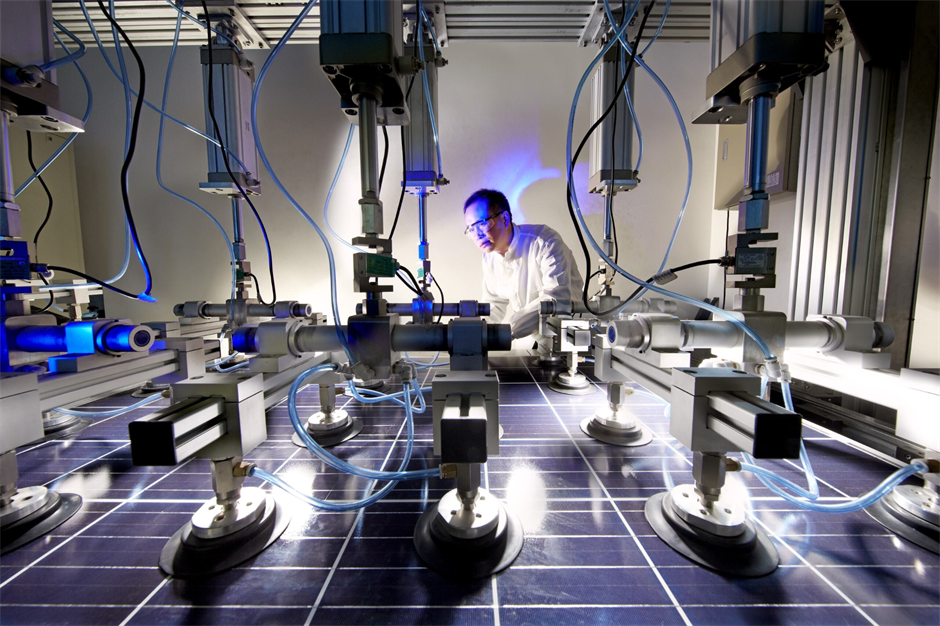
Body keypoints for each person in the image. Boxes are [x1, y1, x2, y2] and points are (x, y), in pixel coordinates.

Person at [463, 189, 583, 354]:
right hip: (531, 341)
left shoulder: (544, 242)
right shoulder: (489, 258)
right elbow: (494, 303)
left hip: (569, 338)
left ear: (504, 218)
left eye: (481, 224)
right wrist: (472, 332)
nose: (476, 235)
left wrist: (509, 331)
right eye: (470, 229)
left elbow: (556, 298)